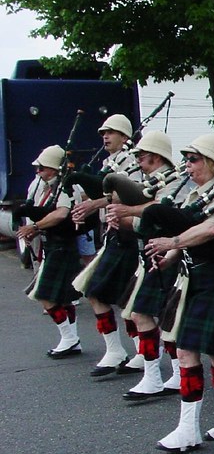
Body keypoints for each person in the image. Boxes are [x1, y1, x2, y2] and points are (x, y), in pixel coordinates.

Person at [143, 134, 214, 452]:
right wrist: (170, 257)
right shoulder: (196, 195)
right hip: (196, 279)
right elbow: (190, 237)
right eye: (186, 159)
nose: (187, 166)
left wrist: (172, 243)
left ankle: (188, 428)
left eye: (193, 160)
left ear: (213, 162)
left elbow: (213, 230)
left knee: (186, 349)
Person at [104, 131, 182, 400]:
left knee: (155, 316)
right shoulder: (151, 181)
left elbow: (160, 212)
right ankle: (165, 374)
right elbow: (143, 215)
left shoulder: (175, 182)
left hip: (168, 255)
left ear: (157, 156)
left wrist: (125, 213)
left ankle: (162, 375)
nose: (137, 159)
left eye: (141, 155)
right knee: (146, 315)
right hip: (149, 253)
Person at [72, 113, 143, 378]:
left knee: (123, 297)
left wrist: (93, 203)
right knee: (97, 292)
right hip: (112, 236)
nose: (105, 137)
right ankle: (118, 350)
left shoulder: (132, 162)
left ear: (124, 136)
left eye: (110, 132)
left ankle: (138, 352)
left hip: (128, 237)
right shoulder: (108, 162)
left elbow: (121, 195)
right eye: (103, 133)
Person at [17, 145, 83, 358]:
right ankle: (71, 339)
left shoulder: (64, 188)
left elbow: (61, 214)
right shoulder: (47, 187)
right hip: (54, 245)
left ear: (54, 169)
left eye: (42, 168)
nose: (38, 172)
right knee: (64, 297)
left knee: (43, 294)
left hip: (63, 246)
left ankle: (69, 338)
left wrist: (35, 227)